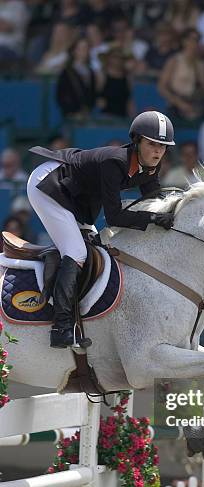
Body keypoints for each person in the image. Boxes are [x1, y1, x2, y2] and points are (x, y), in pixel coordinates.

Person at [26, 111, 176, 349]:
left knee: (95, 247)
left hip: (75, 195)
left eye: (163, 146)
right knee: (77, 253)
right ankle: (61, 327)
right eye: (152, 144)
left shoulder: (149, 168)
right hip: (50, 183)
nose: (158, 151)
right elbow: (114, 217)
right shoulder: (115, 162)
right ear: (137, 141)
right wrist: (153, 218)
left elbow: (155, 199)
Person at [159, 28, 204, 121]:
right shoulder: (174, 60)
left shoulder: (200, 64)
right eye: (192, 39)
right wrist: (179, 103)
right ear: (184, 41)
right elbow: (162, 87)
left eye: (197, 40)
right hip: (176, 104)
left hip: (194, 104)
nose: (195, 43)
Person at [56, 38, 97, 119]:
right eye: (81, 48)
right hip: (71, 117)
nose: (84, 51)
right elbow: (61, 95)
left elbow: (92, 94)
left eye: (86, 48)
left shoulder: (91, 72)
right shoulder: (67, 72)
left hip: (87, 116)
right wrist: (71, 112)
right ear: (74, 51)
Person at [97, 44, 136, 118]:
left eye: (120, 58)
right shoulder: (102, 75)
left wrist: (132, 116)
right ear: (108, 58)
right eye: (115, 57)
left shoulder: (128, 77)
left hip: (122, 116)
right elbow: (96, 95)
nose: (117, 60)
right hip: (105, 116)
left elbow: (129, 99)